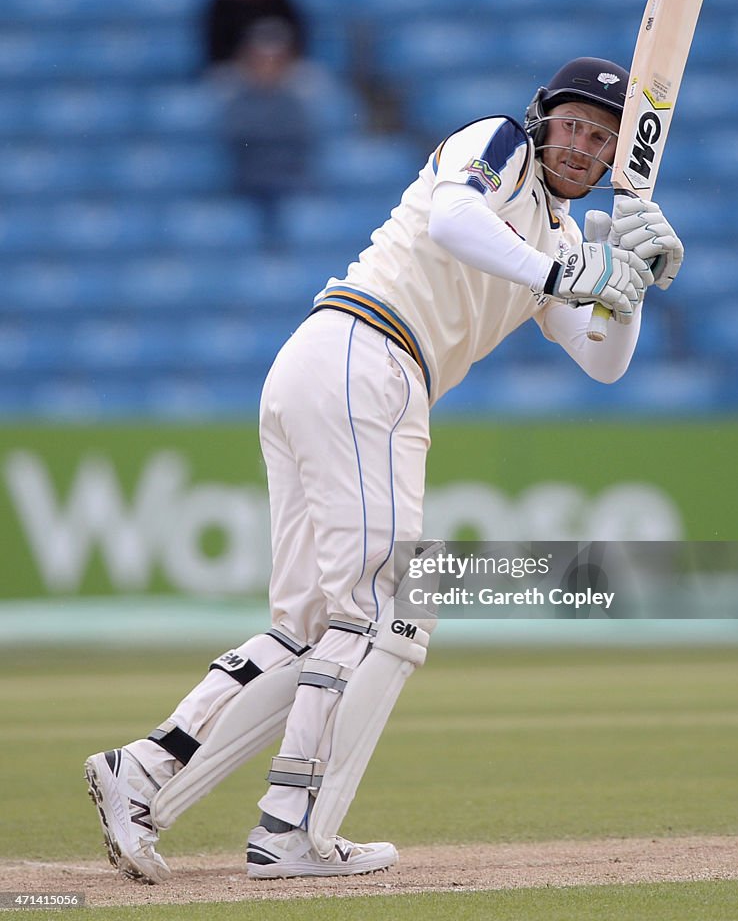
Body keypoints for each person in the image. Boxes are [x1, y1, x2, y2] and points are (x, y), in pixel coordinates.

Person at [84, 56, 684, 884]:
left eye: (602, 138)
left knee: (307, 628)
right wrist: (570, 272)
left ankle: (142, 773)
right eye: (574, 125)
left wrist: (630, 282)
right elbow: (451, 223)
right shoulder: (498, 142)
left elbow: (601, 362)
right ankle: (290, 832)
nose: (582, 146)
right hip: (369, 354)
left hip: (329, 367)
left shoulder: (561, 235)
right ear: (544, 119)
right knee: (386, 602)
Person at [218, 17, 313, 228]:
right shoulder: (236, 102)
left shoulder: (295, 102)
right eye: (261, 60)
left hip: (290, 185)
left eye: (274, 60)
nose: (267, 67)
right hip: (247, 185)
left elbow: (300, 142)